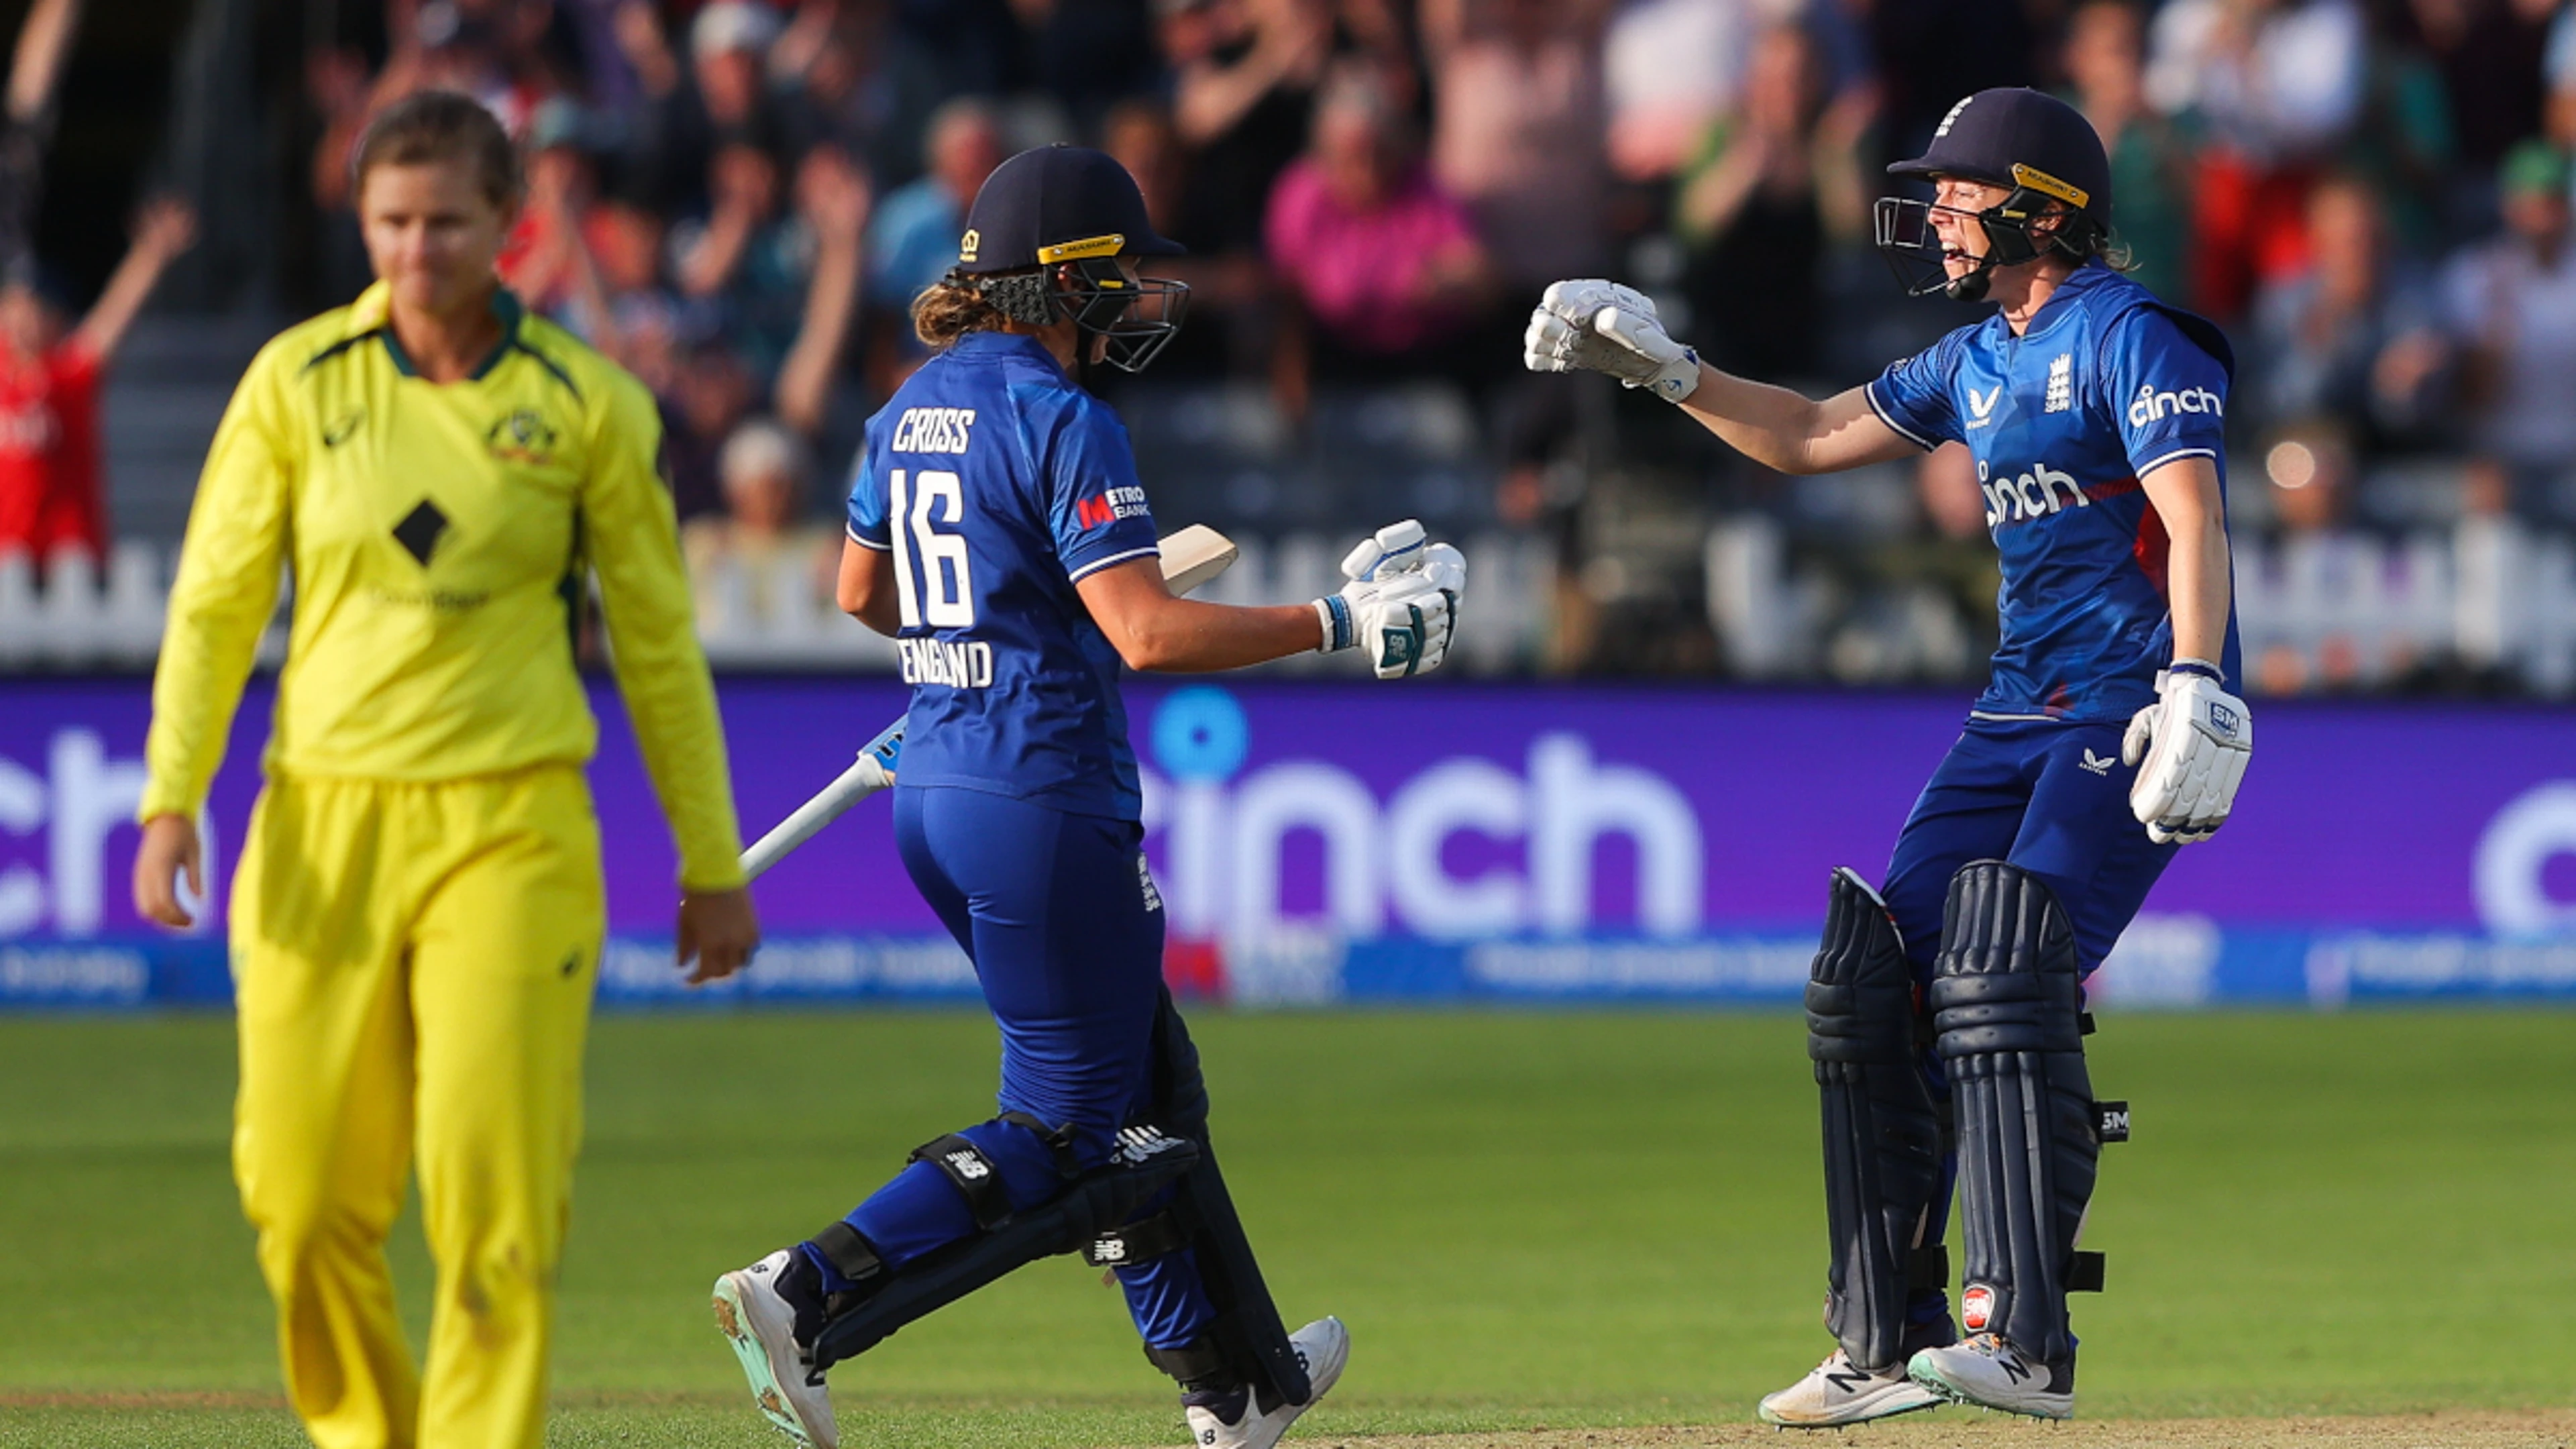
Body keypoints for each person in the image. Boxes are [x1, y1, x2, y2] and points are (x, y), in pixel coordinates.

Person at [710, 143, 1464, 1449]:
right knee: (1066, 1135)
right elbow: (1151, 636)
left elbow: (861, 595)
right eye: (1118, 273)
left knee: (1149, 1093)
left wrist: (984, 634)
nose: (1136, 297)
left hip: (939, 793)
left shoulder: (908, 407)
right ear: (1061, 280)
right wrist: (1340, 621)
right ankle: (807, 1289)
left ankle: (1239, 1386)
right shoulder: (1066, 418)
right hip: (1040, 796)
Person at [1525, 87, 2252, 1424]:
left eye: (1957, 193)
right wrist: (1665, 371)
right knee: (1871, 982)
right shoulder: (1973, 361)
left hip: (2132, 706)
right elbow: (1807, 437)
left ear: (2037, 204)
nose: (1932, 215)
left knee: (2004, 954)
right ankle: (1882, 1339)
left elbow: (2194, 522)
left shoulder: (2132, 337)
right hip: (2014, 712)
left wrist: (2200, 685)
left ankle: (2024, 1339)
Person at [128, 92, 759, 1449]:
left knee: (495, 1210)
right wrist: (170, 793)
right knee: (298, 1205)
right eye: (390, 223)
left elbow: (658, 649)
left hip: (512, 830)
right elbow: (215, 605)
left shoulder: (586, 405)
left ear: (507, 228)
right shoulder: (294, 384)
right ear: (362, 223)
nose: (416, 251)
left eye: (445, 223)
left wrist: (711, 862)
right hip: (321, 827)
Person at [0, 197, 195, 568]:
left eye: (35, 310)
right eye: (13, 306)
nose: (21, 321)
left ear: (56, 320)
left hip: (69, 561)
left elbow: (111, 319)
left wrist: (151, 254)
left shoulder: (67, 377)